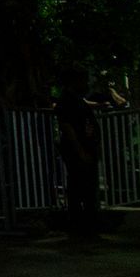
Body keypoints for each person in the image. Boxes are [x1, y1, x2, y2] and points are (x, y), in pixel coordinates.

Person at [56, 68, 102, 237]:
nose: (86, 84)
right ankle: (80, 225)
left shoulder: (76, 100)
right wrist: (80, 150)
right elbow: (68, 128)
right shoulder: (67, 101)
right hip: (78, 150)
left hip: (83, 148)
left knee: (84, 186)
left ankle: (84, 224)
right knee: (79, 186)